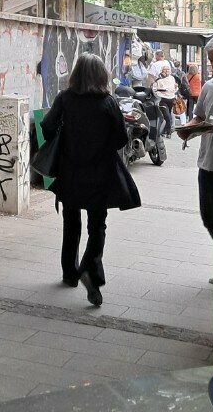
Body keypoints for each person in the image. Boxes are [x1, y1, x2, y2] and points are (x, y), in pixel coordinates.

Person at [41, 54, 141, 307]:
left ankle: (69, 273)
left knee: (71, 221)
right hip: (100, 173)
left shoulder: (65, 99)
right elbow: (121, 138)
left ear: (76, 74)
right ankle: (90, 269)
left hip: (70, 171)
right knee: (97, 226)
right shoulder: (107, 102)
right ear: (101, 75)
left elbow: (47, 126)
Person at [177, 37, 213, 283]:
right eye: (210, 61)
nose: (212, 67)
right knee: (209, 216)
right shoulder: (209, 87)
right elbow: (199, 116)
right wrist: (187, 130)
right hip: (208, 163)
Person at [151, 59, 177, 137]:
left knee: (168, 115)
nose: (166, 71)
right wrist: (158, 95)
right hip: (163, 99)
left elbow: (175, 88)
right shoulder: (158, 79)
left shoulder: (172, 78)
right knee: (167, 116)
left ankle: (165, 130)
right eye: (165, 70)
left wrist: (175, 88)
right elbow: (154, 89)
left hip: (171, 98)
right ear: (162, 71)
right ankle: (168, 132)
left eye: (168, 69)